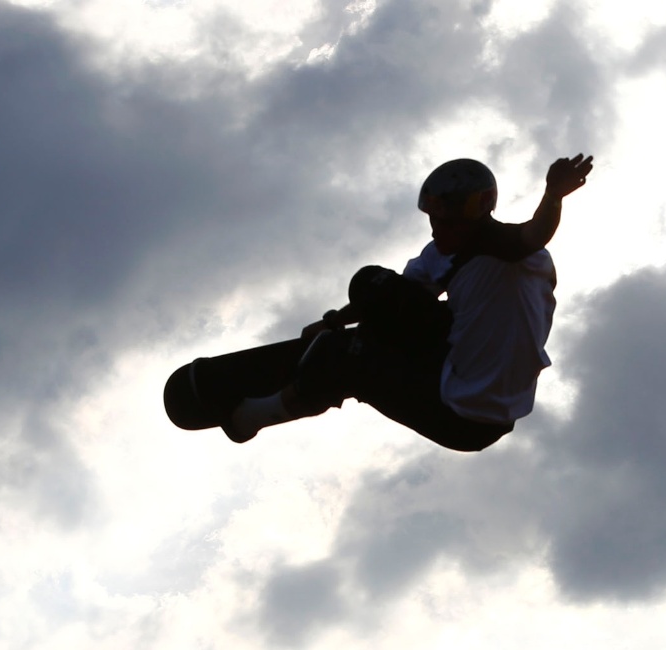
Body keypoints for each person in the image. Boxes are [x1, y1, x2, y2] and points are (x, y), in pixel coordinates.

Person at [221, 154, 593, 450]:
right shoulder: (442, 254)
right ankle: (352, 352)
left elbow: (534, 233)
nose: (437, 231)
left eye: (447, 224)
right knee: (371, 282)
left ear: (476, 217)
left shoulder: (513, 253)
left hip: (465, 416)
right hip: (453, 362)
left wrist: (553, 196)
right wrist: (333, 320)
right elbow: (396, 294)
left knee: (341, 355)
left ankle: (254, 416)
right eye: (433, 221)